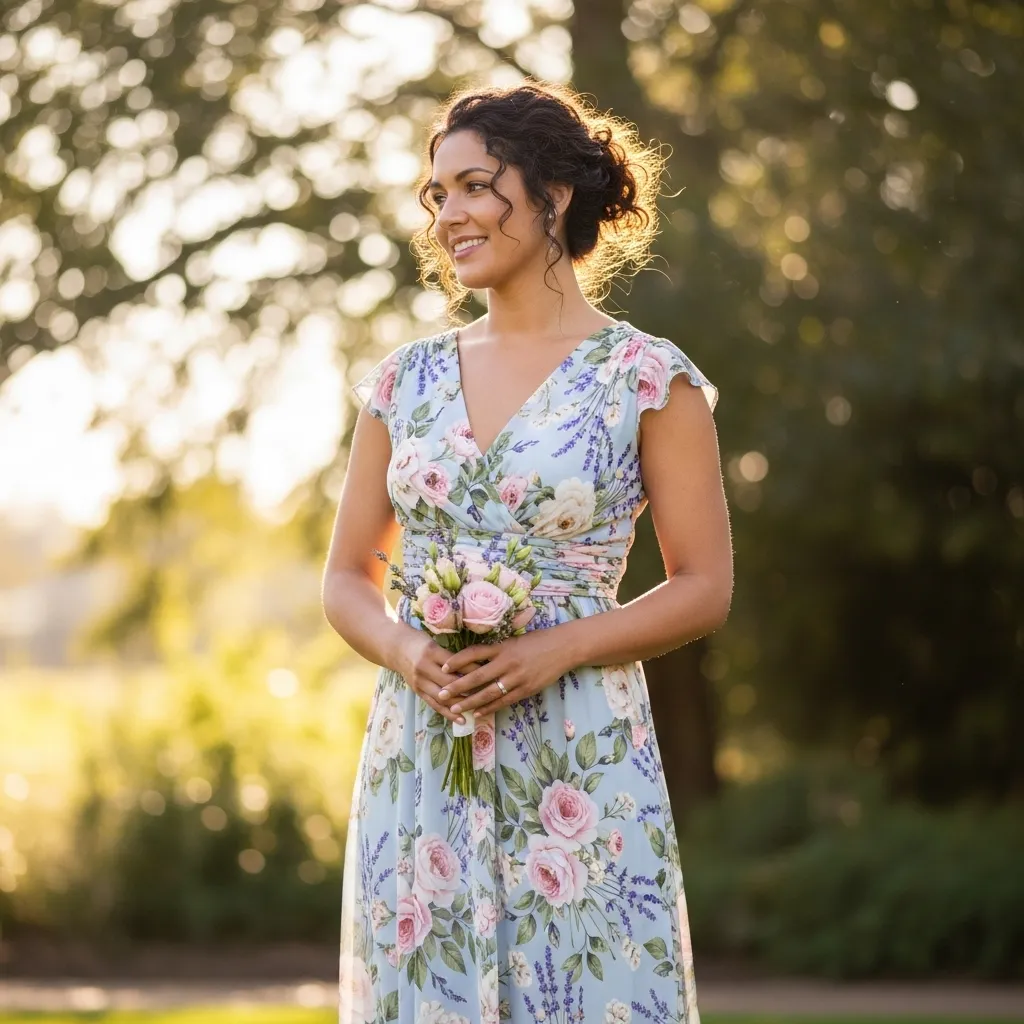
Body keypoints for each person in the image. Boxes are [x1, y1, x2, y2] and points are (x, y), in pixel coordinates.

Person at [323, 79, 732, 1024]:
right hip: (421, 752)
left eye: (474, 185)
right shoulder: (405, 379)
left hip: (580, 755)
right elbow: (346, 577)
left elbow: (704, 585)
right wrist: (409, 654)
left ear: (551, 194)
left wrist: (560, 646)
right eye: (438, 195)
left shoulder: (647, 378)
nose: (449, 215)